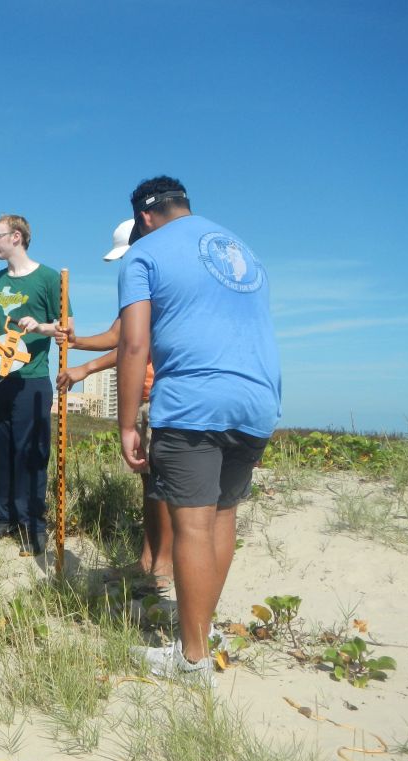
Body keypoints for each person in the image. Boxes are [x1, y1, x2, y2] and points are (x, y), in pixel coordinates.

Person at [117, 176, 281, 685]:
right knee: (222, 518)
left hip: (192, 401)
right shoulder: (243, 250)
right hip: (258, 400)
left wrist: (126, 423)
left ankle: (191, 660)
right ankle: (201, 634)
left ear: (144, 217)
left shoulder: (143, 254)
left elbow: (134, 343)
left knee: (191, 525)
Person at [55, 222, 173, 586]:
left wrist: (87, 367)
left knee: (162, 486)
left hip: (159, 395)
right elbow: (118, 335)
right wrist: (76, 343)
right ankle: (147, 560)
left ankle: (163, 567)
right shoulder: (141, 285)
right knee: (148, 484)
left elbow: (131, 345)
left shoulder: (161, 282)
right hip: (142, 396)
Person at [0, 214, 72, 557]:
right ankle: (0, 519)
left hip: (30, 378)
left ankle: (32, 523)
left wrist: (42, 326)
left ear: (16, 237)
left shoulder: (48, 278)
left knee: (31, 452)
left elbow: (66, 327)